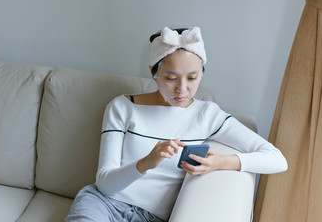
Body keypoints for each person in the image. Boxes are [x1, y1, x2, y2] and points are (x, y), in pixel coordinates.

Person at [65, 26, 288, 222]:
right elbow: (104, 185)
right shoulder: (122, 107)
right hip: (103, 205)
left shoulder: (207, 114)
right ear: (154, 73)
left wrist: (221, 162)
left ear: (202, 73)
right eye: (171, 78)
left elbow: (277, 159)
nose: (182, 89)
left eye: (192, 78)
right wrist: (146, 163)